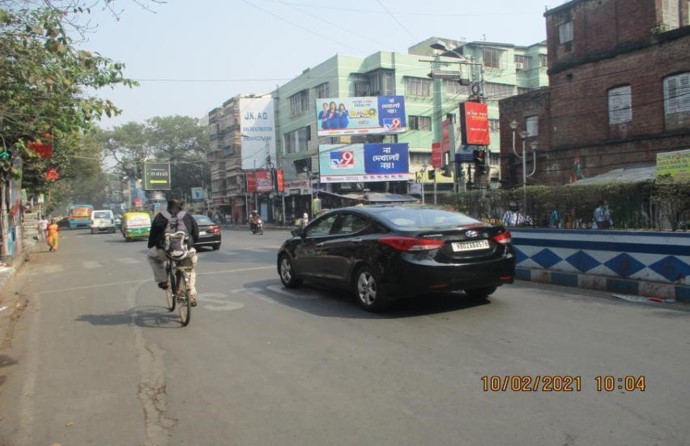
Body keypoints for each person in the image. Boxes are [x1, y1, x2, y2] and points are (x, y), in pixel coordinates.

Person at [147, 198, 200, 306]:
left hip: (165, 252)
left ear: (168, 206)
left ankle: (163, 281)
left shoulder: (160, 216)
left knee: (151, 257)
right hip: (184, 252)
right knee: (190, 270)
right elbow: (196, 234)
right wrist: (189, 245)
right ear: (182, 207)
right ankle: (191, 294)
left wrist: (152, 246)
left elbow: (152, 236)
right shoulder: (188, 216)